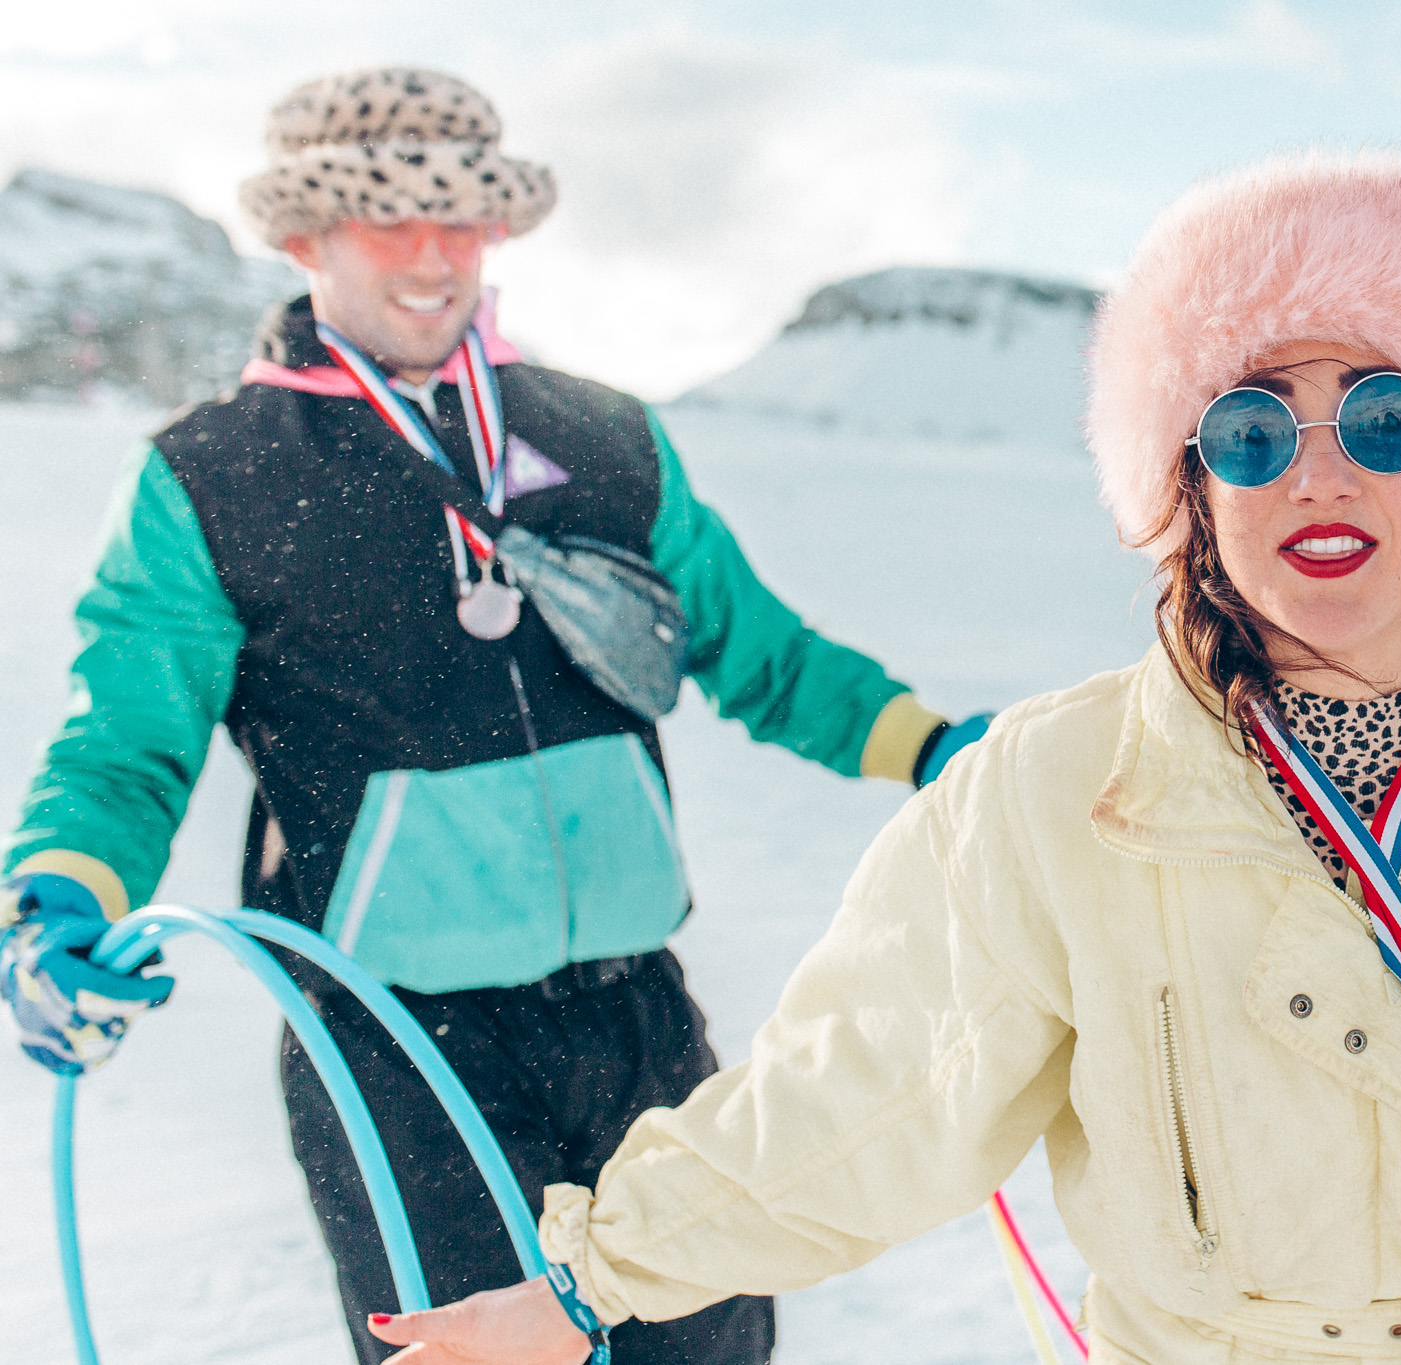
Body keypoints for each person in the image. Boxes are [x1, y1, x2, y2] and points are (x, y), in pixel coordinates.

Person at [363, 152, 1401, 1365]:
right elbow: (861, 1096)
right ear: (1193, 492)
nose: (1317, 466)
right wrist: (590, 1281)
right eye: (1248, 430)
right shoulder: (1054, 797)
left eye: (1381, 417)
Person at [0, 68, 988, 1365]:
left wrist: (938, 750)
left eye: (461, 218)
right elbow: (128, 737)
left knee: (711, 1350)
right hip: (395, 1044)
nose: (432, 256)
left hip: (637, 1020)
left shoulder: (604, 435)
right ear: (305, 237)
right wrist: (59, 896)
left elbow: (763, 653)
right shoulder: (214, 475)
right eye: (389, 220)